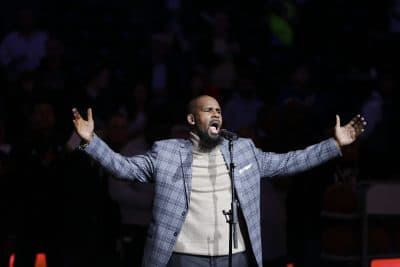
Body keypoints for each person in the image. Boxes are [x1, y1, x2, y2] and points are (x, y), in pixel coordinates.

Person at [71, 95, 366, 267]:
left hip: (233, 258)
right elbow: (124, 169)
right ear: (191, 119)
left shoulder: (243, 150)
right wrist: (92, 141)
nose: (216, 113)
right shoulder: (167, 152)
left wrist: (334, 144)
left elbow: (290, 161)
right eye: (207, 109)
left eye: (219, 110)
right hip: (184, 258)